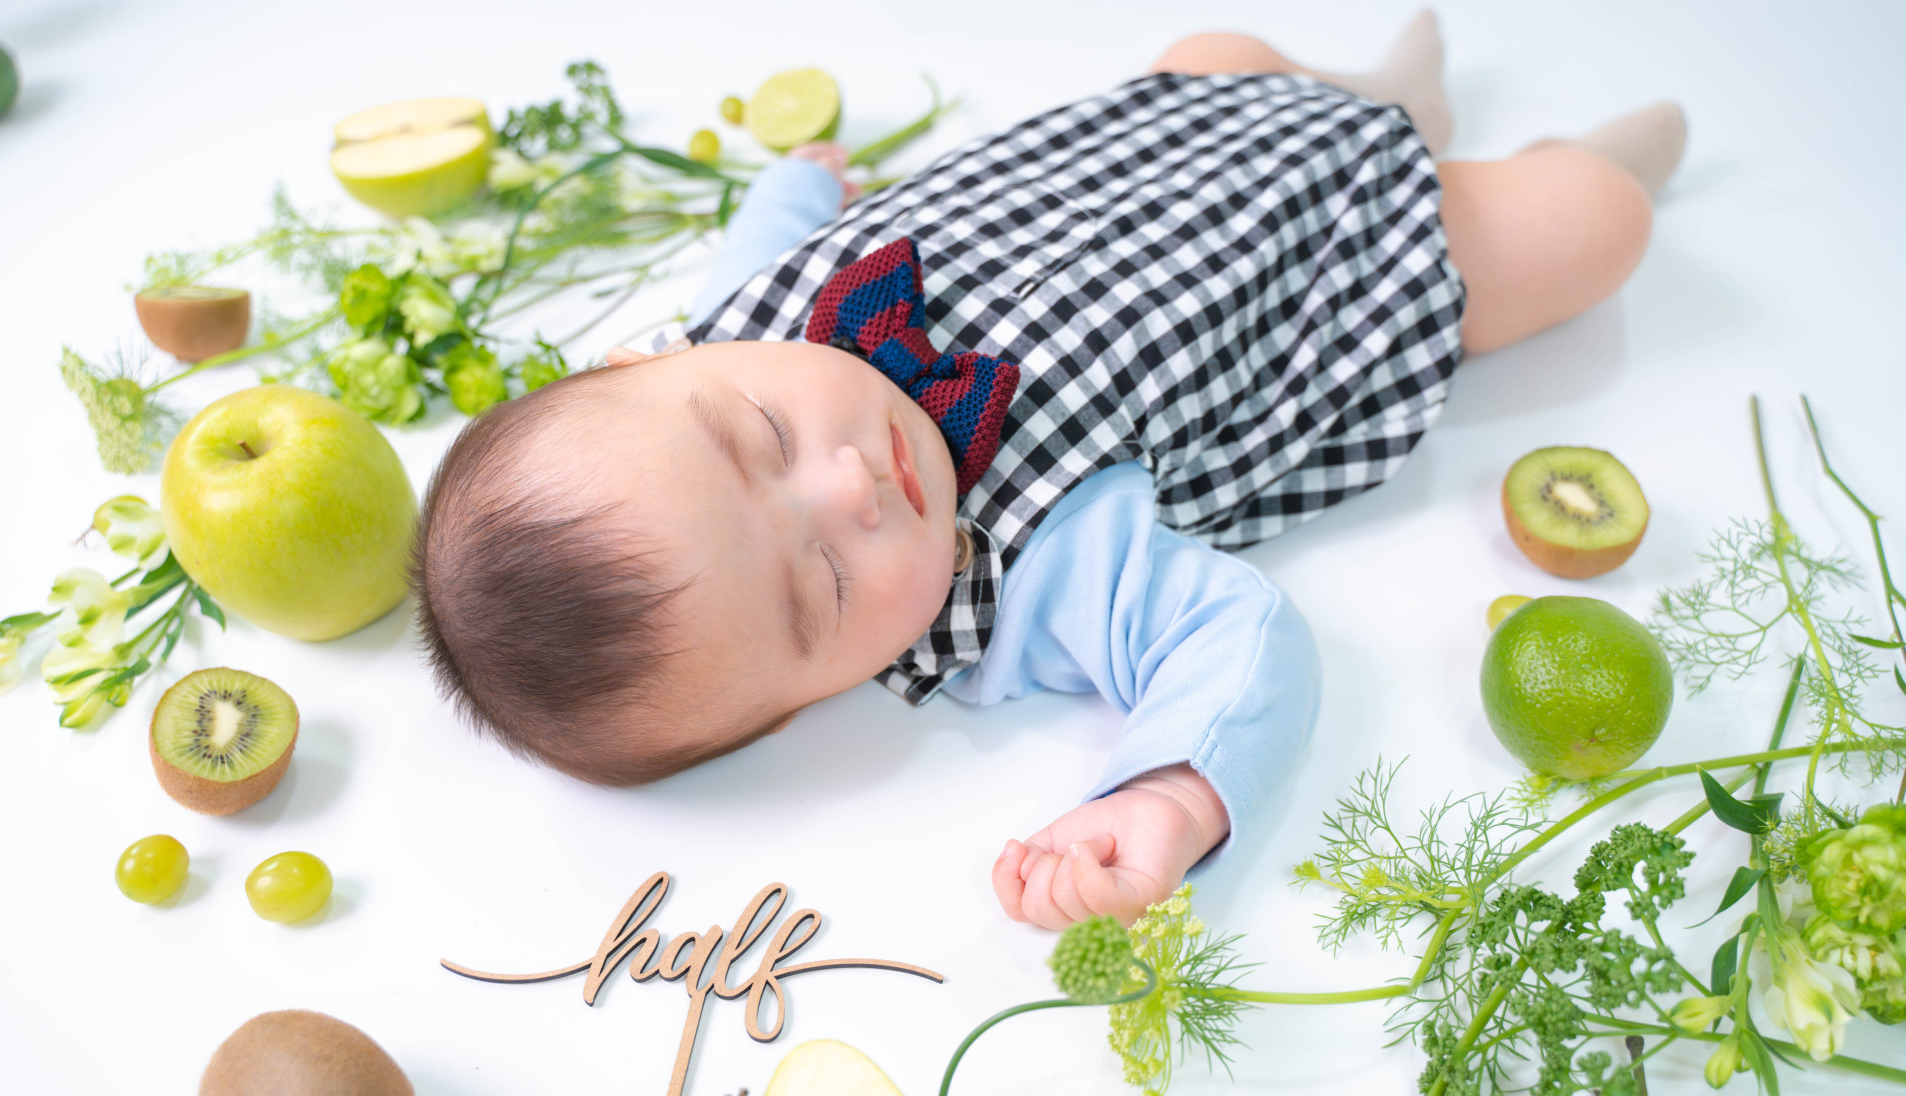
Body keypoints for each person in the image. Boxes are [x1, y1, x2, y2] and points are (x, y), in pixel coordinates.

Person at [413, 13, 1686, 930]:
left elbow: (760, 250)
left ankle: (1388, 94)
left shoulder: (732, 322)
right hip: (1335, 263)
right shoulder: (1035, 571)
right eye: (825, 590)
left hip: (1163, 140)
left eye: (763, 438)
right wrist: (1177, 787)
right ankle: (1558, 162)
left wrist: (797, 184)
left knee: (1220, 50)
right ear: (817, 696)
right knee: (1585, 229)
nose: (853, 486)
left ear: (647, 360)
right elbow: (1238, 633)